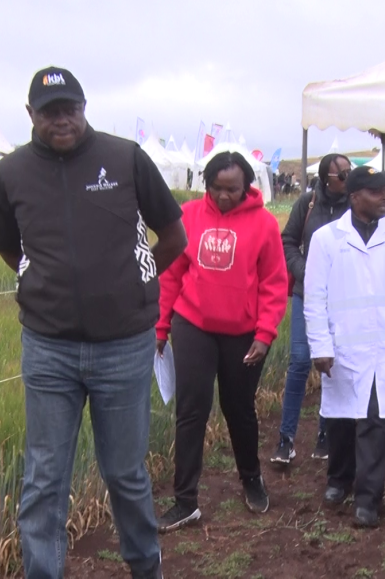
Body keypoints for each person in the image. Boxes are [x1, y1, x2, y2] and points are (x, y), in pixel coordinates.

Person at [0, 67, 187, 579]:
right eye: (49, 112)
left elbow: (173, 236)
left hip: (124, 346)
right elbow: (9, 243)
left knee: (126, 475)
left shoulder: (124, 157)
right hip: (47, 348)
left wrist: (137, 279)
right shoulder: (10, 172)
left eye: (70, 109)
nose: (62, 120)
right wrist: (39, 276)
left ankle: (147, 570)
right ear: (30, 116)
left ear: (84, 107)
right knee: (43, 480)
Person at [155, 151, 287, 531]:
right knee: (191, 410)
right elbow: (172, 274)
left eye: (233, 189)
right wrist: (162, 326)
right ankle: (185, 501)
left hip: (243, 333)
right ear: (206, 185)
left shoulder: (263, 224)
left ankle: (251, 479)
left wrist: (265, 335)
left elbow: (274, 284)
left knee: (238, 408)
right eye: (217, 188)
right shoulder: (191, 216)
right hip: (193, 325)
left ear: (247, 186)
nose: (224, 196)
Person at [304, 166, 385, 527]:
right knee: (340, 418)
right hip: (342, 349)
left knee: (374, 421)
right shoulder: (327, 239)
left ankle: (368, 499)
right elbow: (315, 296)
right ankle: (339, 478)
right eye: (375, 192)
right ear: (355, 198)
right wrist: (320, 344)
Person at [271, 153, 352, 464]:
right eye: (341, 175)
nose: (347, 179)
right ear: (326, 179)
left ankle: (325, 432)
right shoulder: (306, 204)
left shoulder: (353, 205)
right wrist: (306, 270)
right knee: (300, 361)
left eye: (349, 173)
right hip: (307, 294)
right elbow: (288, 241)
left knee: (333, 363)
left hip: (342, 299)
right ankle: (286, 438)